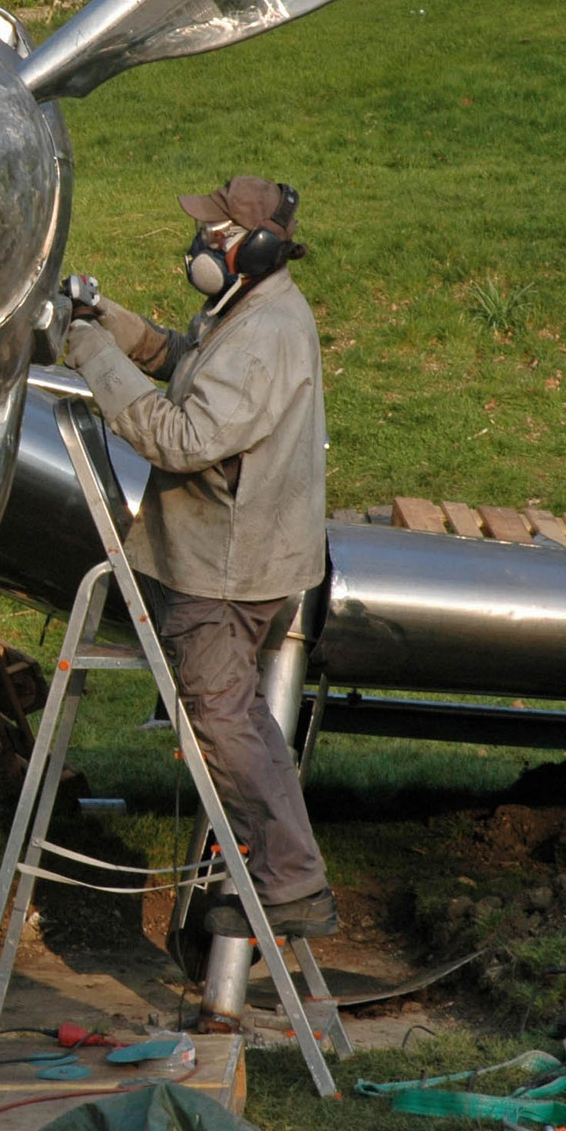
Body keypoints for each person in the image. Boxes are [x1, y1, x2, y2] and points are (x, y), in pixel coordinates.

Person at [62, 174, 336, 941]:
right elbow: (183, 359)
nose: (197, 244)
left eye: (212, 233)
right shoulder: (248, 307)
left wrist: (90, 356)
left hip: (224, 572)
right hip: (235, 558)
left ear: (251, 246)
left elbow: (182, 437)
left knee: (224, 722)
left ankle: (291, 882)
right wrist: (106, 320)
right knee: (241, 719)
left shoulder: (264, 335)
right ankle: (287, 869)